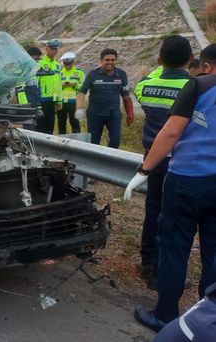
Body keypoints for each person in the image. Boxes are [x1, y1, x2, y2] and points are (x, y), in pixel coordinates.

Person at [124, 44, 216, 332]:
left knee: (175, 248)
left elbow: (172, 131)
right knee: (213, 252)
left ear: (209, 66)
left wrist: (144, 169)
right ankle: (208, 318)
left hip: (187, 180)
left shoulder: (198, 86)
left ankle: (165, 315)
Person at [133, 35, 193, 290]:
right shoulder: (195, 87)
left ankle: (148, 262)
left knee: (153, 210)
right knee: (175, 217)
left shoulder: (145, 86)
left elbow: (141, 87)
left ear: (160, 60)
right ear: (191, 59)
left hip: (153, 157)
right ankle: (161, 272)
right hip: (181, 160)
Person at [75, 48, 134, 148]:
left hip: (114, 114)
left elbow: (126, 96)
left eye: (113, 60)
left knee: (115, 141)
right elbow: (81, 92)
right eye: (107, 60)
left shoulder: (122, 74)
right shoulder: (92, 74)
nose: (110, 62)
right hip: (95, 115)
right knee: (94, 143)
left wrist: (130, 113)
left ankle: (108, 160)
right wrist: (79, 108)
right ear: (101, 61)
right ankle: (94, 162)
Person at [35, 39, 63, 134]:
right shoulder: (40, 63)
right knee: (40, 126)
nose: (55, 50)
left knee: (50, 126)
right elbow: (36, 82)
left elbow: (58, 83)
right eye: (53, 48)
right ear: (47, 48)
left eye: (56, 48)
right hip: (42, 100)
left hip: (53, 100)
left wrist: (59, 100)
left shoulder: (57, 65)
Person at [58, 52, 84, 134]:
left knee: (74, 123)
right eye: (65, 64)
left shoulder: (79, 73)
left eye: (69, 63)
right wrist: (60, 85)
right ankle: (61, 143)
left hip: (73, 101)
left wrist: (74, 85)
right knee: (61, 123)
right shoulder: (59, 73)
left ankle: (77, 142)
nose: (67, 65)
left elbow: (83, 87)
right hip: (61, 102)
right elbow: (55, 86)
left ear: (73, 62)